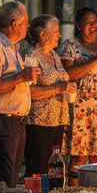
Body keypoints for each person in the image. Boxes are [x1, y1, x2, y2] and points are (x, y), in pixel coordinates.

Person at [0, 1, 40, 187]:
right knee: (2, 181)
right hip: (1, 123)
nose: (28, 25)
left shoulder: (13, 48)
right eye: (26, 22)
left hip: (16, 122)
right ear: (15, 24)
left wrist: (24, 78)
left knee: (10, 180)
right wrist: (20, 77)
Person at [58, 7, 97, 165]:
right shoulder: (70, 45)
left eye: (95, 21)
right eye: (88, 22)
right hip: (81, 107)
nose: (93, 25)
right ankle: (75, 182)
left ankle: (95, 182)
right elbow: (68, 74)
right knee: (79, 154)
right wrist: (96, 60)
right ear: (79, 26)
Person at [21, 15, 78, 179]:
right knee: (37, 168)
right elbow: (28, 91)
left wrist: (66, 87)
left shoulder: (54, 54)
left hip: (57, 119)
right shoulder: (30, 56)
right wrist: (58, 88)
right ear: (43, 35)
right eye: (56, 31)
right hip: (39, 120)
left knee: (52, 167)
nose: (60, 35)